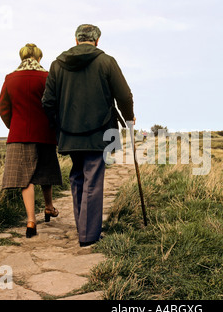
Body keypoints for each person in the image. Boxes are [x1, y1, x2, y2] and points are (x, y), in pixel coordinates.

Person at [42, 24, 135, 247]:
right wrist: (129, 119)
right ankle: (88, 236)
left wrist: (59, 126)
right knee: (93, 178)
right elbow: (124, 95)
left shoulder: (57, 65)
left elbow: (47, 102)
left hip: (69, 134)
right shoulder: (106, 62)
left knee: (77, 178)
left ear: (76, 40)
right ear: (97, 40)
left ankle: (83, 229)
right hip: (100, 133)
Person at [0, 43, 62, 238]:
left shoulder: (10, 79)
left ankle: (31, 221)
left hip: (20, 135)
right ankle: (49, 207)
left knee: (26, 178)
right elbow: (55, 105)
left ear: (22, 57)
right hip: (44, 133)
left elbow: (3, 108)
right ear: (39, 58)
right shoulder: (47, 77)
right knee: (45, 172)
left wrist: (14, 126)